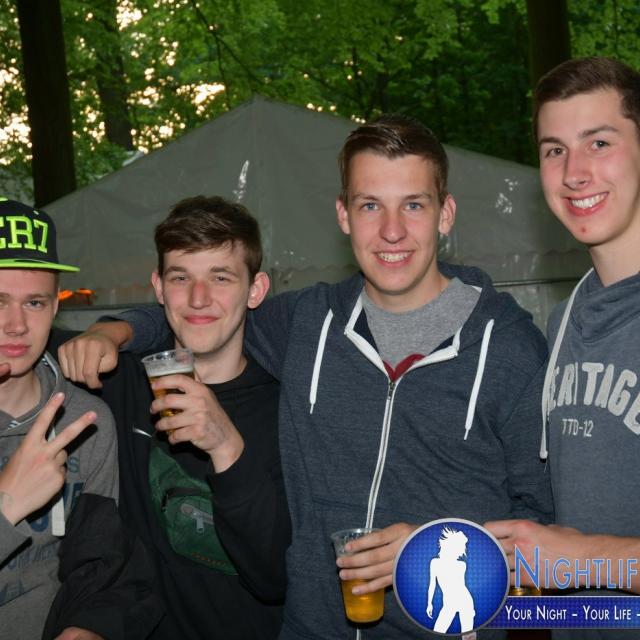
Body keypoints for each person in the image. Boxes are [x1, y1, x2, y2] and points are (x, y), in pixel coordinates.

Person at [59, 116, 553, 639]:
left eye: (413, 205)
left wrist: (435, 550)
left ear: (445, 213)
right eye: (370, 206)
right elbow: (202, 311)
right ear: (343, 215)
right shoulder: (308, 322)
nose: (392, 230)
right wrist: (113, 330)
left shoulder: (509, 349)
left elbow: (545, 529)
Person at [53, 196, 289, 640]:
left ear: (256, 290)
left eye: (221, 277)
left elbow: (274, 578)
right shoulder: (118, 379)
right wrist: (104, 330)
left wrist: (226, 446)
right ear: (159, 288)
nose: (198, 298)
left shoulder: (286, 409)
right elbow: (22, 337)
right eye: (181, 277)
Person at [484, 56, 640, 636]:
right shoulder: (566, 319)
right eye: (555, 150)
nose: (574, 172)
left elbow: (578, 556)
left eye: (599, 142)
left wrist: (584, 560)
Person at [0, 198, 160, 640]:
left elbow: (98, 565)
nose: (16, 325)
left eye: (34, 302)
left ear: (55, 306)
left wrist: (89, 625)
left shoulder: (86, 420)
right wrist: (7, 505)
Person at [426, 527, 475, 634]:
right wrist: (429, 603)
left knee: (468, 635)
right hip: (449, 603)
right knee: (438, 631)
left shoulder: (462, 565)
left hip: (465, 601)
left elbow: (461, 586)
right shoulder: (435, 563)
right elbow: (432, 584)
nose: (462, 550)